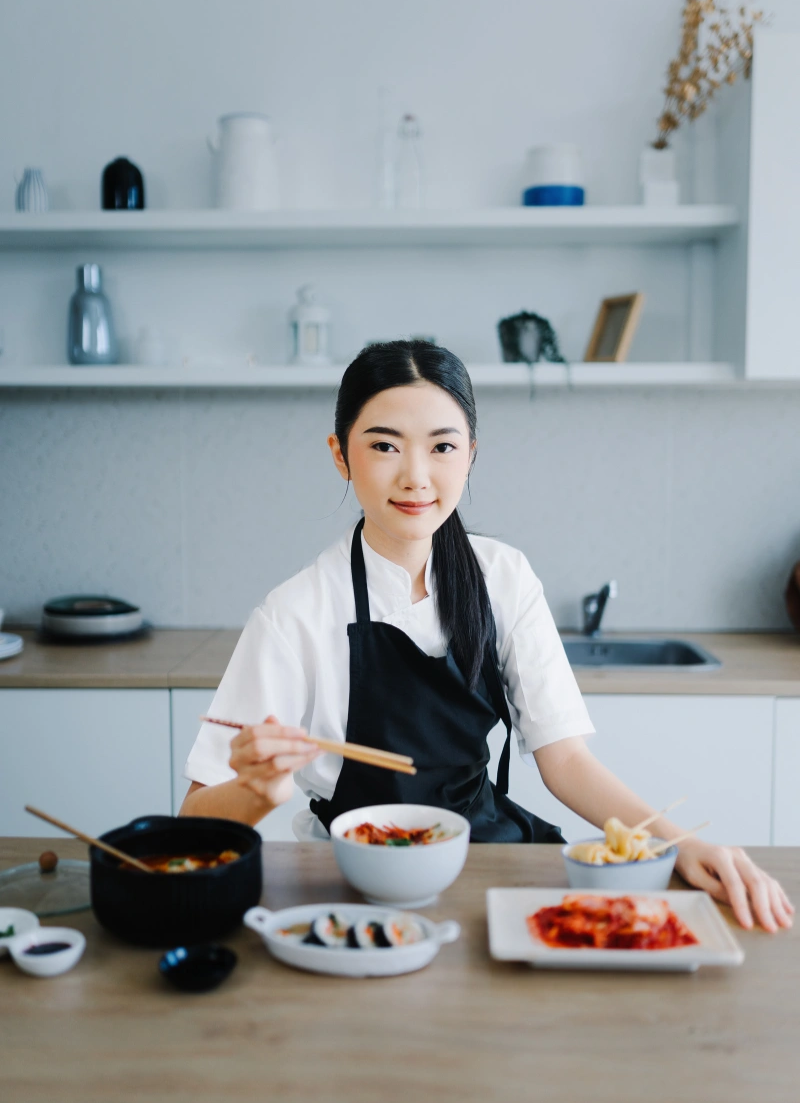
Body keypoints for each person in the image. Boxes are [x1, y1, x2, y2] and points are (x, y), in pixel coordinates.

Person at [181, 340, 793, 933]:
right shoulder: (294, 614)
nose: (416, 477)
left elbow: (566, 761)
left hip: (490, 860)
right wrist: (258, 789)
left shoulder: (504, 577)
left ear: (470, 454)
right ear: (341, 455)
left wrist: (678, 844)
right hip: (355, 881)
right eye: (385, 445)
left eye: (442, 447)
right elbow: (193, 819)